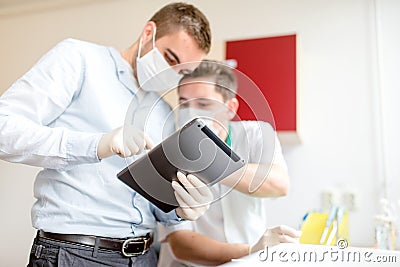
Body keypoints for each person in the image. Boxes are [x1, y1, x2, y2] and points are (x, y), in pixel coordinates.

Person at [0, 3, 214, 266]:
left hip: (145, 256)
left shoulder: (164, 113)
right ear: (148, 33)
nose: (172, 73)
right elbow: (4, 129)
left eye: (183, 72)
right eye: (170, 58)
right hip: (76, 254)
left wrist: (181, 208)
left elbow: (154, 202)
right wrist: (97, 144)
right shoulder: (80, 59)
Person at [157, 60, 301, 266]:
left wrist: (212, 163)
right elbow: (181, 244)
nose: (191, 112)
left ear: (230, 107)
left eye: (204, 104)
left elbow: (279, 184)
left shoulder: (257, 133)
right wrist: (250, 250)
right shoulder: (168, 154)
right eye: (184, 103)